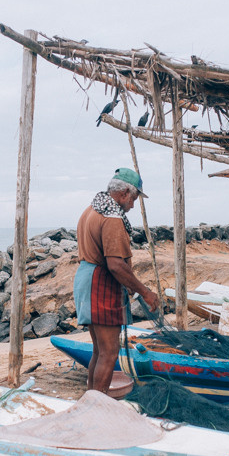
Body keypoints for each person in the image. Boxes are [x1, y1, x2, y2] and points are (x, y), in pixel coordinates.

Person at [74, 168, 160, 393]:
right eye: (133, 199)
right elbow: (115, 265)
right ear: (123, 193)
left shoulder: (91, 209)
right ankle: (98, 406)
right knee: (110, 352)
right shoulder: (111, 217)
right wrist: (145, 292)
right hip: (100, 285)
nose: (132, 205)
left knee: (99, 351)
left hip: (86, 279)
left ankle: (92, 399)